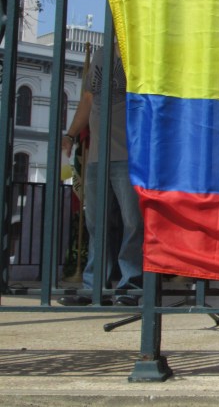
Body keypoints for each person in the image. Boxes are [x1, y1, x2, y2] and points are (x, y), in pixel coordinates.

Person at [59, 38, 143, 306]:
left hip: (130, 154)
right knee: (97, 224)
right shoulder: (101, 54)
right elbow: (87, 99)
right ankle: (93, 287)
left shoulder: (141, 52)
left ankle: (130, 286)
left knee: (133, 223)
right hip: (97, 156)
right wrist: (71, 134)